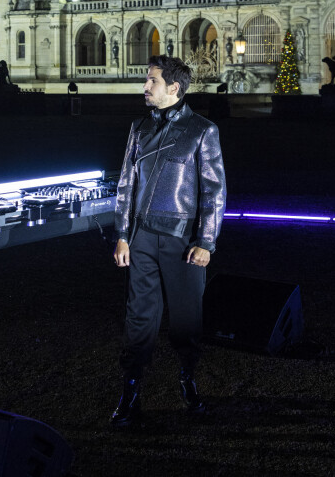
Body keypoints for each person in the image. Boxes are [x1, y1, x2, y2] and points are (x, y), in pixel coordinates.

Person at [111, 55, 226, 427]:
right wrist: (122, 236)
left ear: (174, 87)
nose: (145, 87)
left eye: (152, 81)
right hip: (141, 238)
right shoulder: (139, 128)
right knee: (139, 318)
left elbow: (214, 191)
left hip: (183, 243)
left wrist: (206, 242)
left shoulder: (202, 130)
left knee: (186, 319)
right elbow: (126, 186)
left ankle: (187, 379)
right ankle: (131, 390)